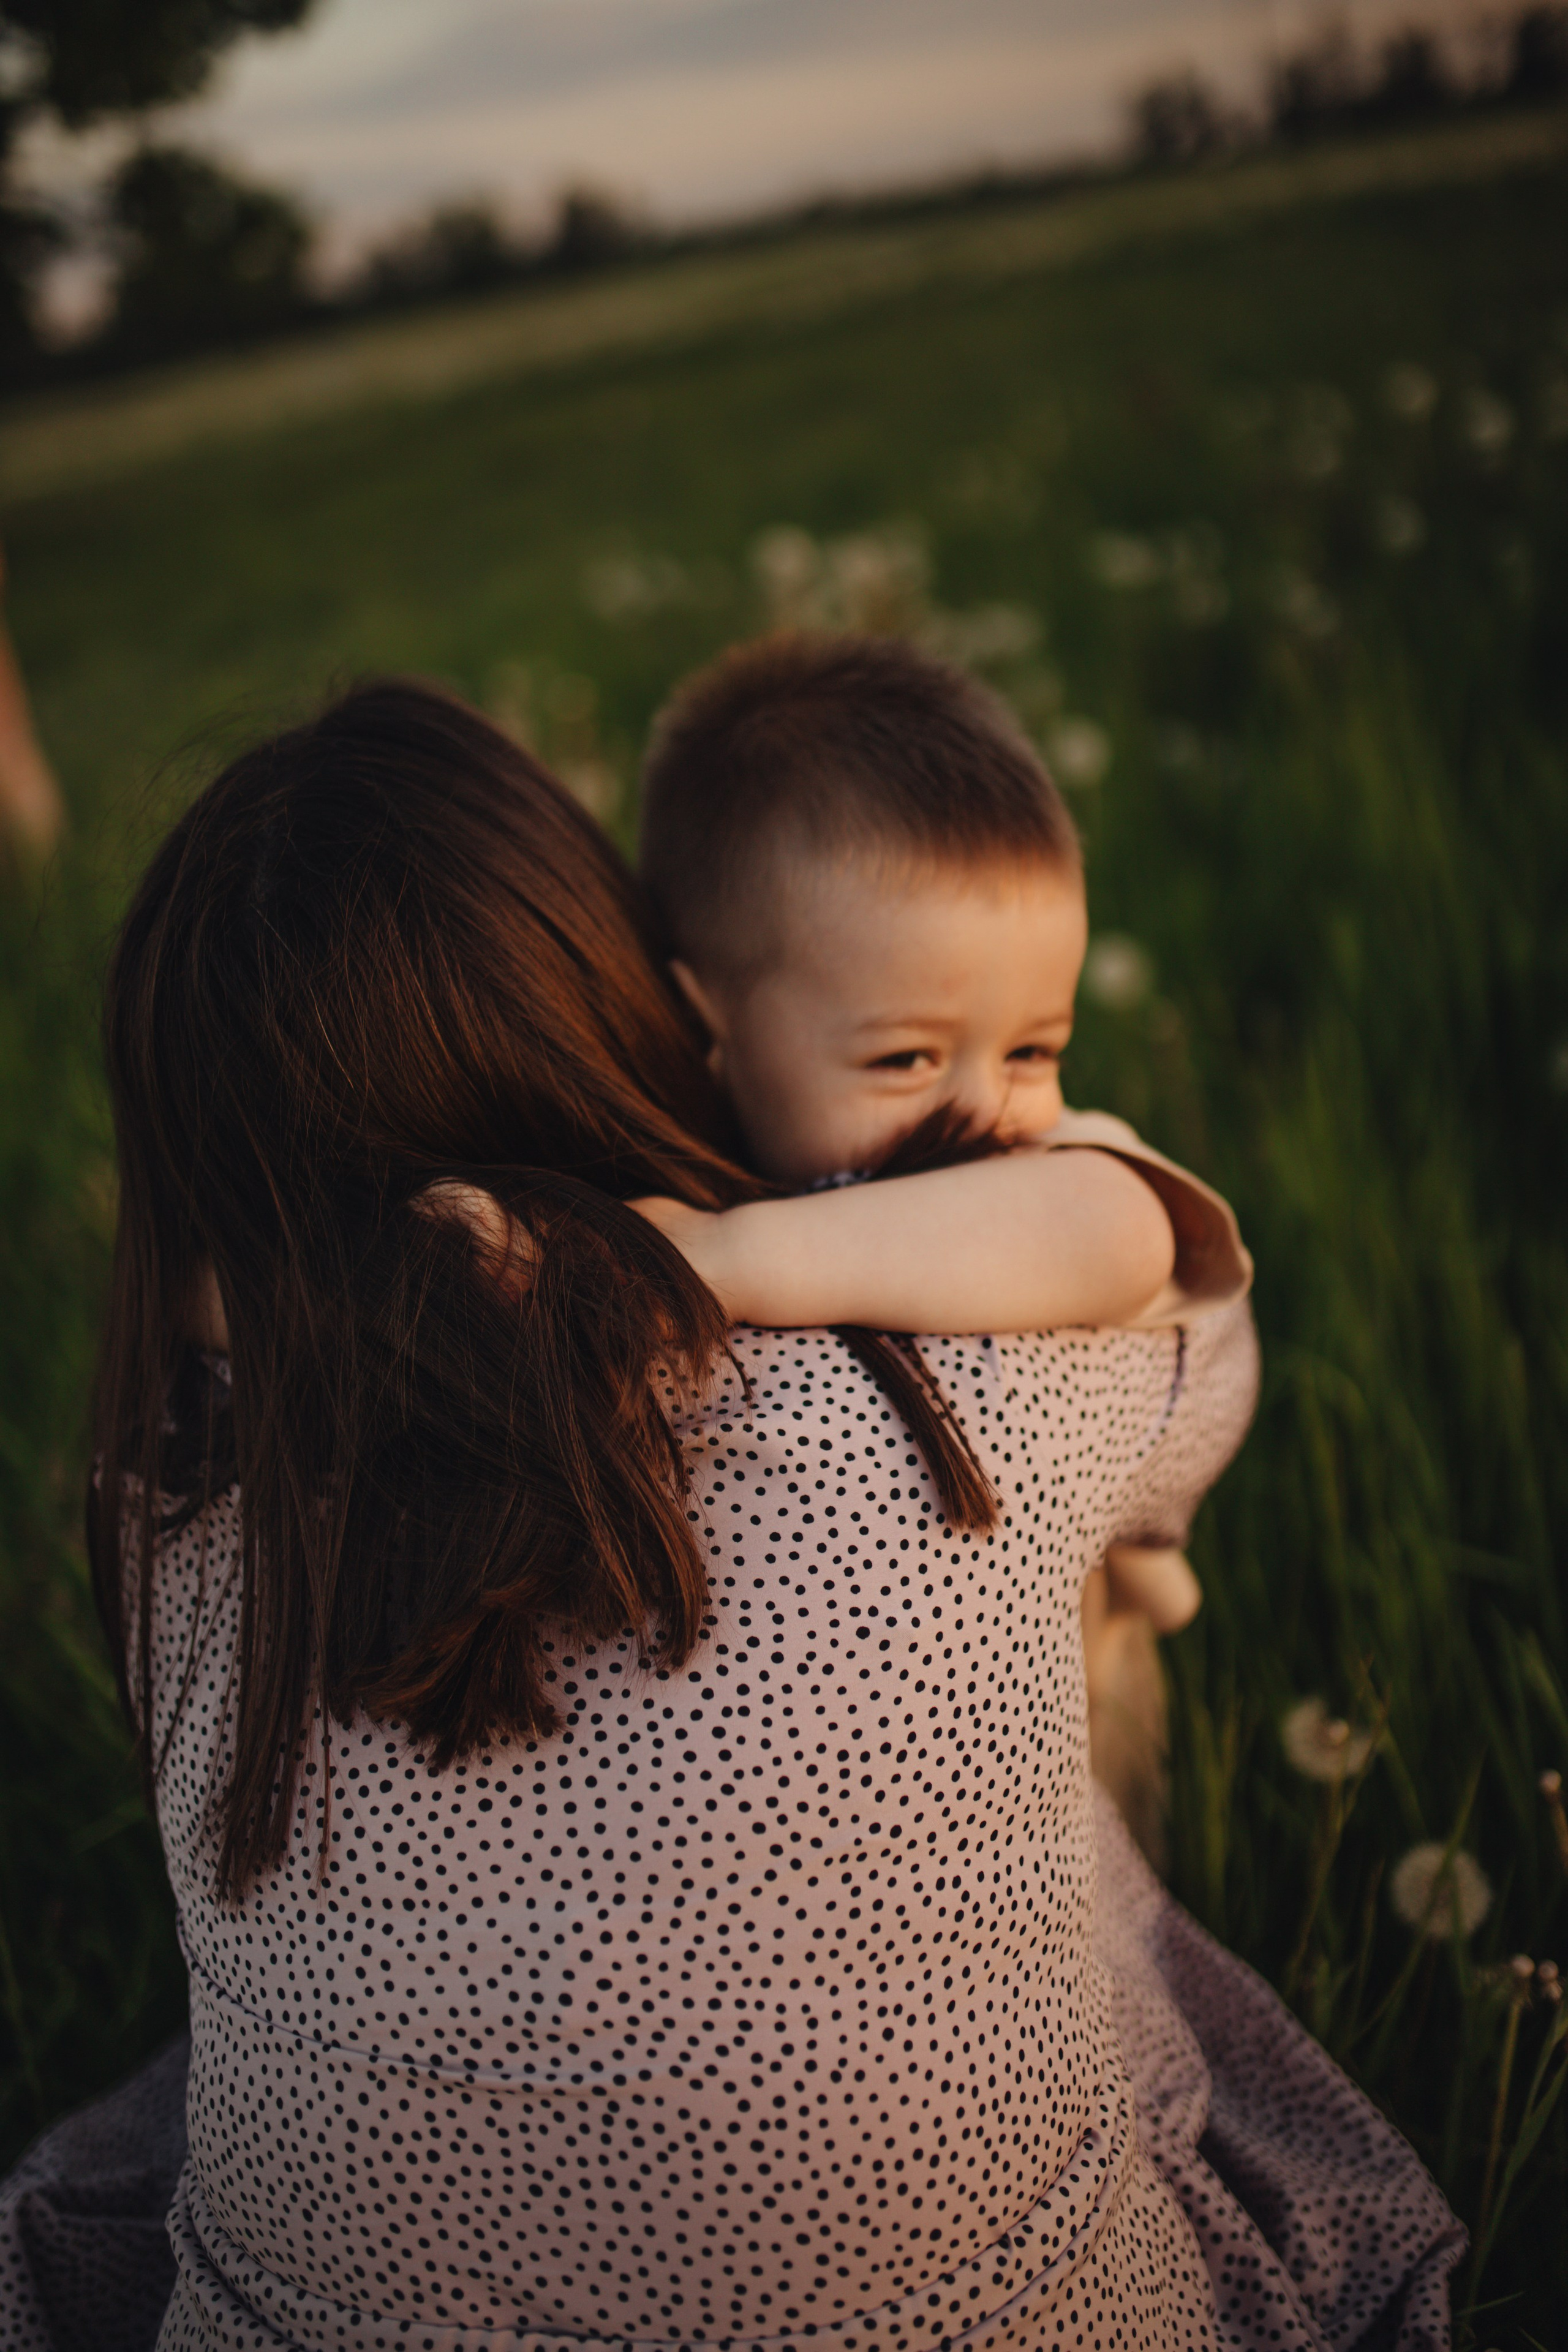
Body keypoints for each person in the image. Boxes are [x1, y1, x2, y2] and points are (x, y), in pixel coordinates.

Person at [4, 679, 1458, 2351]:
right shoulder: (958, 1363)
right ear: (643, 1009)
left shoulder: (173, 1503)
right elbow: (1167, 1285)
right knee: (1082, 1628)